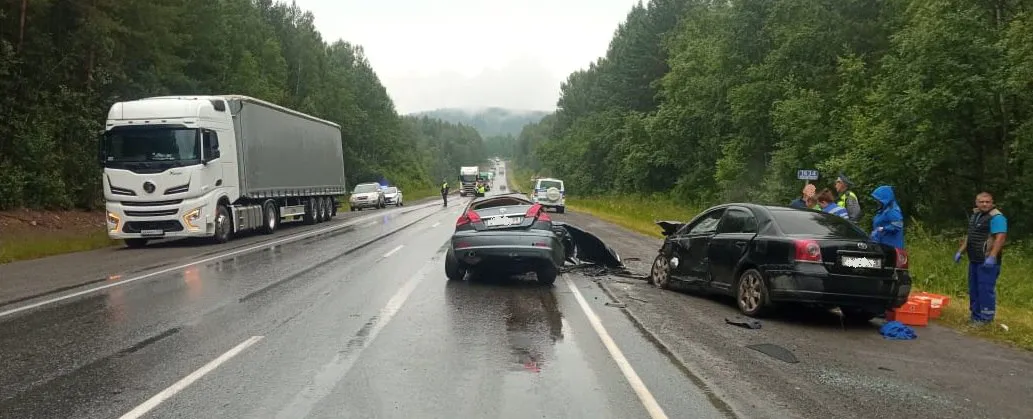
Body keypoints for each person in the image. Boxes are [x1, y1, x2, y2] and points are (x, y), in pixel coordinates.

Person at [954, 192, 1007, 324]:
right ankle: (975, 316)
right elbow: (971, 236)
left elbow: (1000, 238)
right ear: (976, 202)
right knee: (974, 289)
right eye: (981, 201)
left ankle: (986, 319)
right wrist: (960, 252)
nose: (984, 204)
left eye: (987, 202)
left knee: (985, 290)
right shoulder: (976, 215)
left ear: (992, 203)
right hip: (974, 259)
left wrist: (992, 257)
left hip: (987, 261)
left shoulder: (997, 217)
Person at [870, 185, 904, 249]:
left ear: (885, 199)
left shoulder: (893, 210)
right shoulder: (884, 210)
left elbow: (898, 225)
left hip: (891, 247)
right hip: (882, 245)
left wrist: (883, 228)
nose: (876, 201)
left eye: (878, 199)